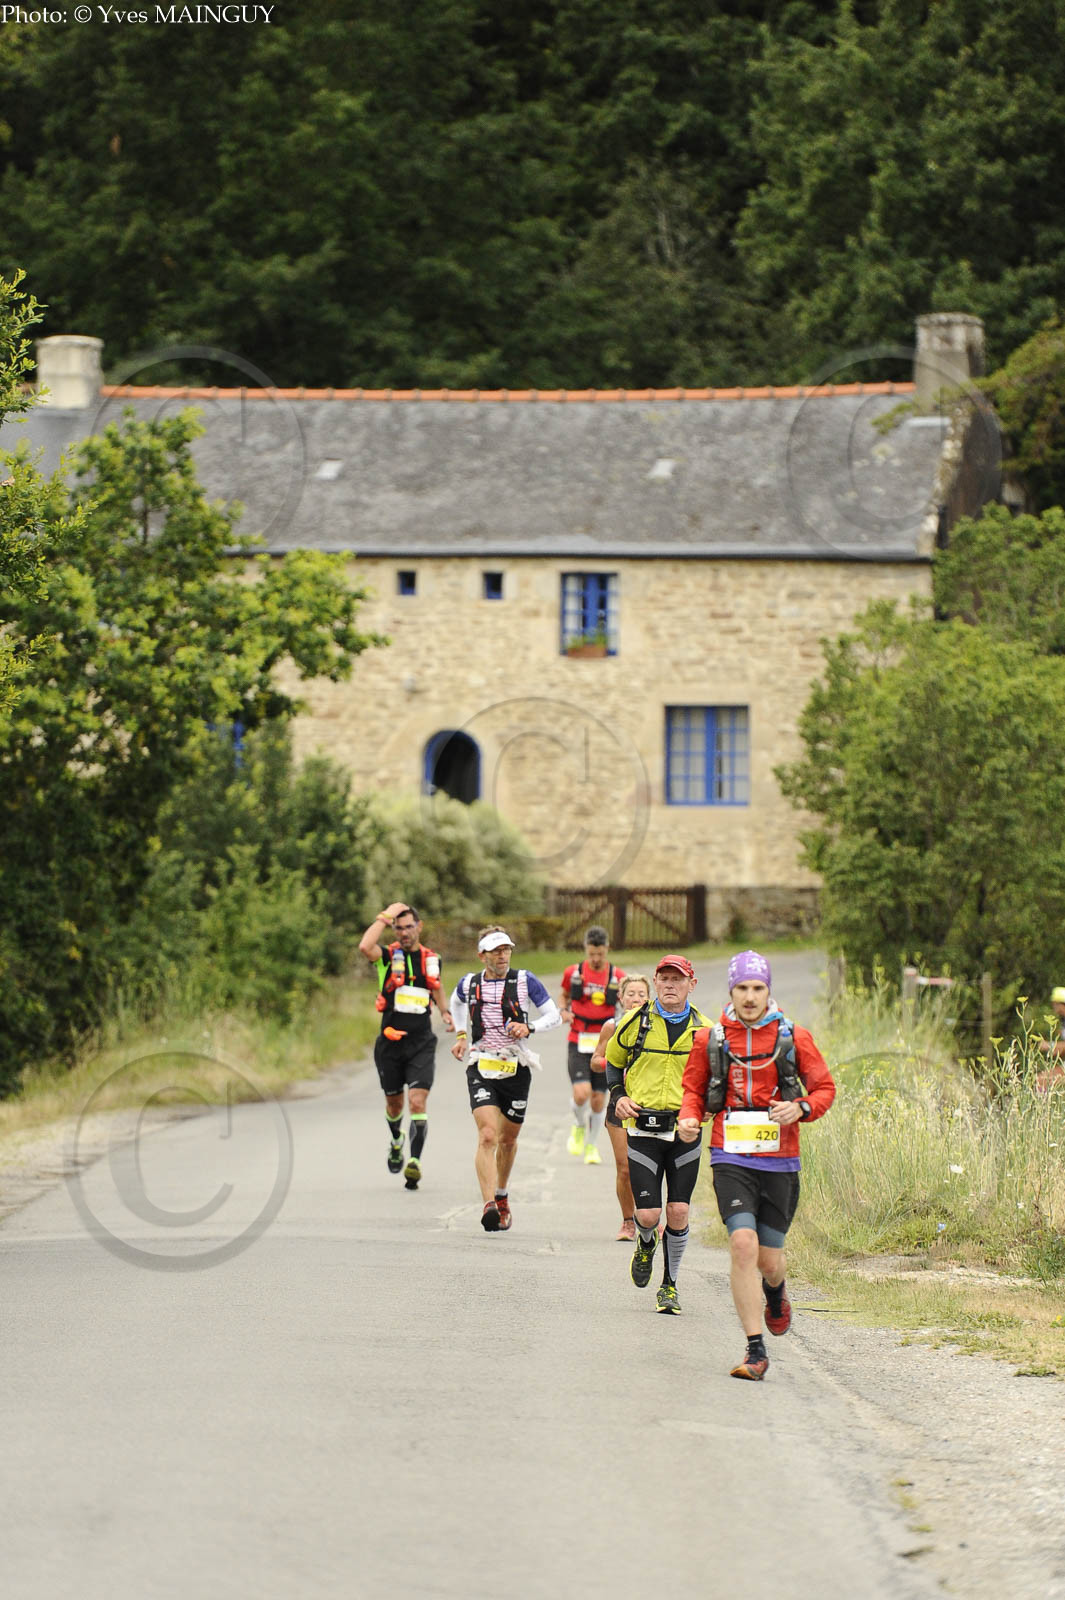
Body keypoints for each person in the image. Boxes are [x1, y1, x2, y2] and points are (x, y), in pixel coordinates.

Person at [679, 949, 835, 1380]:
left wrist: (800, 1107)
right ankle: (755, 1350)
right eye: (742, 988)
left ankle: (776, 1292)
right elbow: (692, 1091)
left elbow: (824, 1088)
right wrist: (689, 1118)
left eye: (758, 988)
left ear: (768, 991)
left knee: (769, 1260)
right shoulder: (710, 1039)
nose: (749, 997)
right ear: (731, 991)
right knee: (743, 1244)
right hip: (730, 1154)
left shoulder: (793, 1036)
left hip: (780, 1160)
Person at [605, 955, 711, 1314]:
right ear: (655, 982)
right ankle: (646, 1243)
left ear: (691, 985)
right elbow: (613, 1061)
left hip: (684, 1131)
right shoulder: (634, 1021)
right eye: (664, 979)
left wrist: (708, 1108)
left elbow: (717, 1079)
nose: (670, 985)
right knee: (649, 1215)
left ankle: (669, 1285)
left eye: (677, 979)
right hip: (643, 1129)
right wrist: (618, 1096)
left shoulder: (706, 1030)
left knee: (678, 1211)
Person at [450, 927, 561, 1232]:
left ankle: (501, 1195)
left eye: (506, 949)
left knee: (507, 1140)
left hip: (516, 1067)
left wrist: (530, 1027)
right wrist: (461, 1035)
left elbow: (554, 1015)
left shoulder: (525, 980)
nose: (503, 956)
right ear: (482, 956)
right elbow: (455, 1002)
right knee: (487, 1135)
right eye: (496, 951)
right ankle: (488, 1205)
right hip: (481, 1064)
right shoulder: (469, 983)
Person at [358, 902, 453, 1190]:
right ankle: (397, 1139)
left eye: (409, 927)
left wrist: (445, 1012)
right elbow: (365, 946)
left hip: (421, 1043)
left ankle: (415, 1162)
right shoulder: (387, 957)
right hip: (390, 1044)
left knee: (417, 1101)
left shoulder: (431, 959)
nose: (404, 933)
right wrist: (385, 916)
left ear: (419, 927)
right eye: (398, 928)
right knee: (394, 1104)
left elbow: (436, 987)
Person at [559, 925, 626, 1165]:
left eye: (600, 954)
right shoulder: (574, 972)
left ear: (607, 949)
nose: (596, 959)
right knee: (581, 1093)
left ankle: (591, 1145)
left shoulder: (617, 976)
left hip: (604, 1042)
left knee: (598, 1099)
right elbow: (564, 995)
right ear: (586, 949)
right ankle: (579, 1124)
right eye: (592, 954)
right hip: (578, 1039)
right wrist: (563, 1010)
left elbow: (626, 1003)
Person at [591, 973, 650, 1240]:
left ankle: (651, 1219)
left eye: (641, 994)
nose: (636, 999)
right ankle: (628, 1221)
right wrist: (616, 1065)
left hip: (649, 1104)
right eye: (631, 994)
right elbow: (595, 1061)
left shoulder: (656, 1026)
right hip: (618, 1102)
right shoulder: (612, 1026)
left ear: (649, 998)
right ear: (621, 998)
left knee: (650, 1167)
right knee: (624, 1166)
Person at [1035, 985, 1065, 1091]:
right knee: (1041, 1079)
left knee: (1041, 1081)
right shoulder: (1062, 1021)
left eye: (1055, 1004)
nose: (1054, 1007)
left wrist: (1049, 1045)